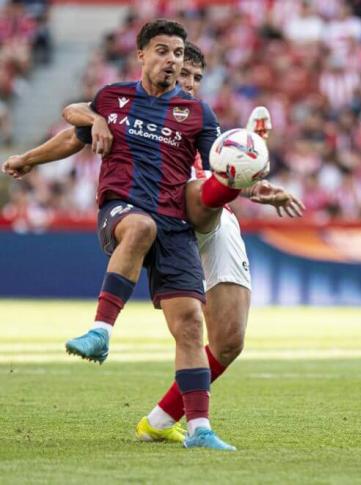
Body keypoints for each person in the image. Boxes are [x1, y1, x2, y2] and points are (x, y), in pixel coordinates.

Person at [2, 41, 304, 446]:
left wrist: (257, 186)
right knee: (173, 225)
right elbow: (76, 133)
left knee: (229, 341)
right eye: (183, 74)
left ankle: (162, 419)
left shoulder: (198, 121)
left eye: (196, 77)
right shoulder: (133, 104)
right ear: (157, 64)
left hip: (206, 220)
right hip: (169, 214)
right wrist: (30, 157)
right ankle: (109, 336)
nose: (189, 83)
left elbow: (227, 171)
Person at [61, 18, 237, 451]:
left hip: (176, 224)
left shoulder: (198, 113)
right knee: (140, 225)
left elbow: (213, 170)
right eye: (162, 51)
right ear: (141, 54)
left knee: (192, 326)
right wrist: (94, 120)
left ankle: (198, 429)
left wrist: (246, 183)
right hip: (121, 209)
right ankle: (101, 330)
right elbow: (72, 118)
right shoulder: (113, 97)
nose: (172, 61)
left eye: (178, 53)